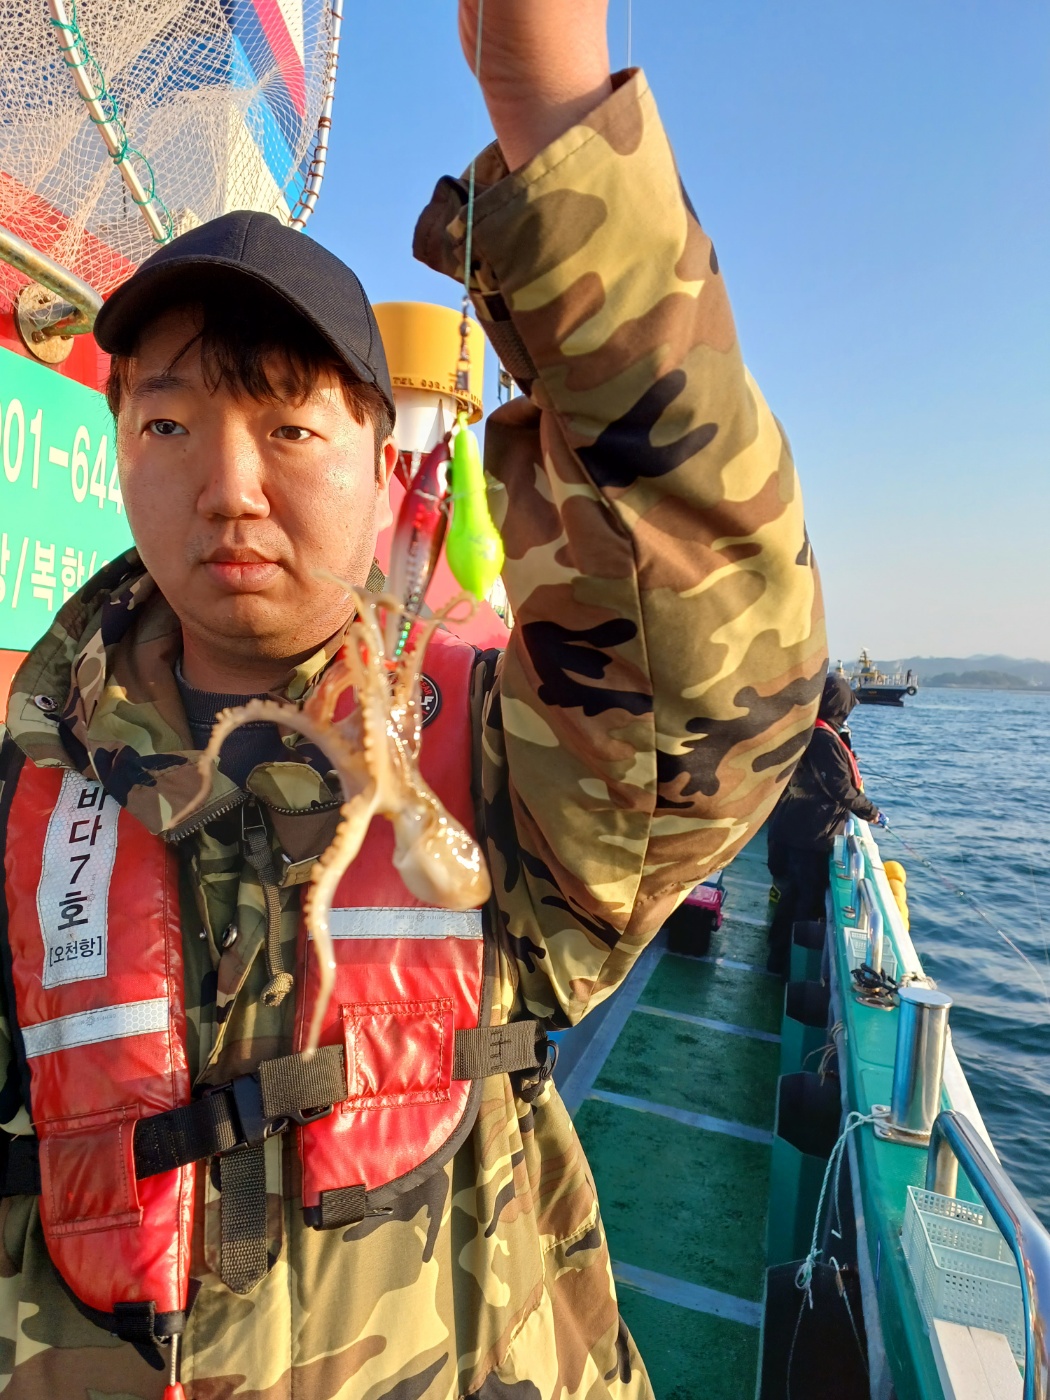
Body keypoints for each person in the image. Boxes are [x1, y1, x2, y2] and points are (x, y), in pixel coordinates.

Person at [0, 2, 826, 1394]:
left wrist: (556, 119)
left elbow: (718, 663)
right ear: (119, 445)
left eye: (289, 425)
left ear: (381, 455)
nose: (228, 487)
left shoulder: (501, 764)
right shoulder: (24, 790)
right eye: (169, 424)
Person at [765, 673, 886, 977]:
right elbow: (840, 788)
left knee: (792, 898)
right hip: (808, 837)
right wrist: (871, 812)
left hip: (796, 830)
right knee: (803, 904)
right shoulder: (823, 738)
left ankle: (779, 960)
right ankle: (786, 965)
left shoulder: (816, 732)